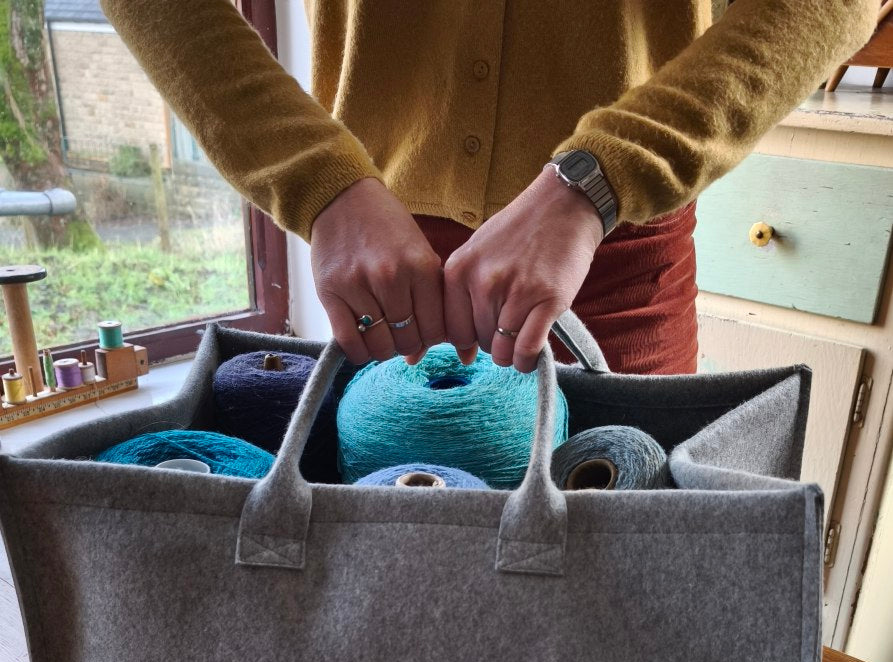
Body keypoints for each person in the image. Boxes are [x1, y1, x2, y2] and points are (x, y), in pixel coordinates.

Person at [101, 0, 875, 373]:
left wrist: (601, 177)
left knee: (615, 613)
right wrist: (316, 183)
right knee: (383, 622)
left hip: (616, 270)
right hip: (383, 282)